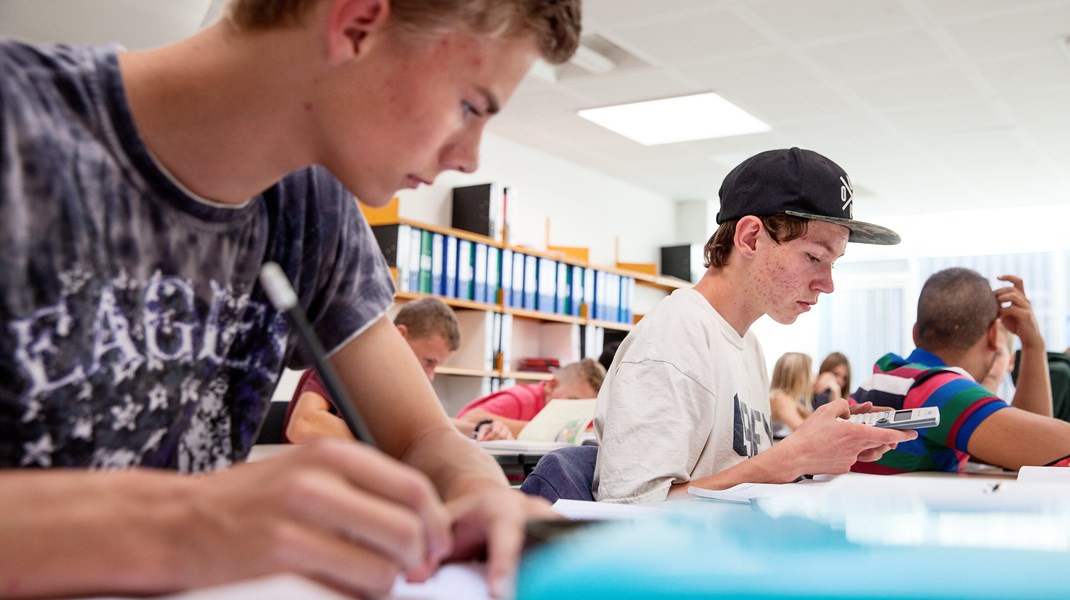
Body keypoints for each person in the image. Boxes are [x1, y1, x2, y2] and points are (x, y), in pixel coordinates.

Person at [0, 0, 581, 597]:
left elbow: (422, 436)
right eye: (469, 106)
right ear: (356, 24)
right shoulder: (17, 124)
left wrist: (480, 492)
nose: (469, 159)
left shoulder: (312, 207)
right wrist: (185, 521)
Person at [593, 147, 917, 504]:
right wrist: (793, 457)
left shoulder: (747, 344)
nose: (827, 284)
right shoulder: (675, 337)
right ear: (750, 238)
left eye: (833, 264)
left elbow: (738, 477)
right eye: (813, 257)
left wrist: (816, 449)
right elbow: (626, 512)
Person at [851, 268, 1070, 474]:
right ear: (994, 334)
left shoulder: (888, 376)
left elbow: (1025, 449)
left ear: (916, 334)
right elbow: (1047, 450)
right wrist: (1033, 344)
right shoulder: (941, 392)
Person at [285, 297, 513, 442]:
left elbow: (428, 425)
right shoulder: (346, 359)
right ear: (401, 335)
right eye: (428, 361)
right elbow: (304, 425)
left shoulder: (393, 382)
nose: (430, 376)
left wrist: (481, 429)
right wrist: (391, 439)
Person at [455, 358, 605, 438]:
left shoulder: (586, 413)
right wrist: (544, 431)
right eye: (572, 401)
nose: (574, 411)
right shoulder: (521, 399)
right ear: (551, 386)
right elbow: (467, 420)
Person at [769, 352, 834, 435]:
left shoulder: (791, 400)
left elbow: (816, 422)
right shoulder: (781, 399)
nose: (815, 375)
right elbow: (806, 432)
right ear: (799, 376)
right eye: (810, 371)